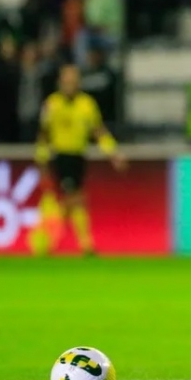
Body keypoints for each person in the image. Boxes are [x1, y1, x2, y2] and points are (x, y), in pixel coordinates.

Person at [30, 64, 127, 257]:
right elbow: (43, 134)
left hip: (78, 156)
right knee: (75, 198)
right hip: (61, 156)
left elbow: (98, 131)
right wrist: (40, 159)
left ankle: (51, 240)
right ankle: (54, 240)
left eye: (73, 81)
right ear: (60, 83)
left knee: (75, 201)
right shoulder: (52, 104)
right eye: (66, 81)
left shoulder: (87, 104)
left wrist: (113, 153)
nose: (70, 85)